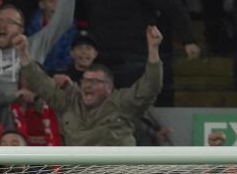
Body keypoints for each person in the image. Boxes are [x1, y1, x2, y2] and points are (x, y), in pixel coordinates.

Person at [19, 26, 163, 146]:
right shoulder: (70, 100)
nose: (88, 85)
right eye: (86, 81)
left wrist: (154, 49)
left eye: (95, 82)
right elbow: (41, 83)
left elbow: (150, 86)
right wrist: (23, 53)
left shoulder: (121, 102)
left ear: (109, 87)